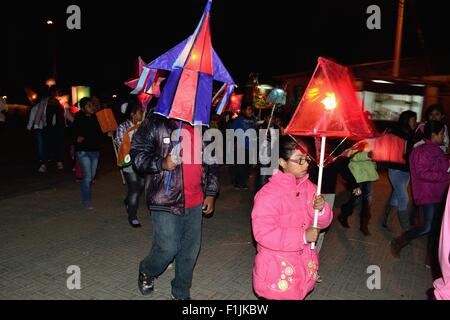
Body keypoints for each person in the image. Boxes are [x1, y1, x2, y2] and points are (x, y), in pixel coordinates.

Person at [130, 113, 219, 300]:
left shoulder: (202, 125)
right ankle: (147, 270)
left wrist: (211, 192)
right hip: (165, 198)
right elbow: (137, 155)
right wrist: (162, 163)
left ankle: (180, 293)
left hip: (195, 200)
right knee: (167, 248)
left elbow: (211, 162)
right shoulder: (156, 123)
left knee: (189, 252)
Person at [252, 136, 333, 300]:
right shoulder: (268, 195)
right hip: (278, 267)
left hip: (303, 263)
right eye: (299, 160)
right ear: (282, 162)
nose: (306, 165)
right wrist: (302, 236)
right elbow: (263, 233)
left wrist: (321, 209)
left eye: (307, 160)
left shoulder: (310, 188)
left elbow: (323, 222)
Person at [391, 121, 450, 259]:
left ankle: (431, 257)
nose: (444, 136)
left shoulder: (437, 149)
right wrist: (446, 175)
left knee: (434, 226)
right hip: (427, 194)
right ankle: (400, 241)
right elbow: (423, 173)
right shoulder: (421, 151)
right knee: (427, 226)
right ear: (433, 134)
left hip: (437, 193)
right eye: (442, 133)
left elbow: (442, 166)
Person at [382, 111, 418, 232]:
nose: (415, 122)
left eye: (415, 120)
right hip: (395, 170)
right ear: (406, 120)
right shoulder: (397, 133)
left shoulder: (413, 134)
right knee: (404, 197)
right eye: (413, 120)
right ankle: (406, 228)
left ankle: (386, 221)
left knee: (396, 197)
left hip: (407, 171)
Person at [115, 100, 145, 228]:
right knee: (134, 188)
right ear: (133, 114)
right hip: (129, 163)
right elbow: (120, 143)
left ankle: (128, 200)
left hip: (141, 162)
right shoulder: (123, 127)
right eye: (140, 112)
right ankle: (132, 216)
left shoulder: (143, 125)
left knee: (141, 185)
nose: (142, 114)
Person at [337, 149, 379, 236]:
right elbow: (350, 155)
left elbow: (373, 159)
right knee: (356, 199)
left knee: (367, 201)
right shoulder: (358, 139)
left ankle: (364, 224)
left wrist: (374, 163)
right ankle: (344, 213)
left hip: (369, 174)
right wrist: (366, 155)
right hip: (357, 174)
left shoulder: (373, 141)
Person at [71, 97, 104, 209]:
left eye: (92, 105)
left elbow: (100, 133)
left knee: (92, 175)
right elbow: (72, 132)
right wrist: (77, 137)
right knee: (88, 177)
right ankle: (86, 201)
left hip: (94, 151)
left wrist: (108, 133)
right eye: (89, 105)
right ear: (84, 107)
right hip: (83, 151)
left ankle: (86, 197)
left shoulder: (96, 118)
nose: (92, 107)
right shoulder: (79, 118)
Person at [228, 105, 257, 190]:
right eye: (248, 109)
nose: (250, 111)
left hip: (250, 147)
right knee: (240, 165)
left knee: (247, 166)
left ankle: (243, 183)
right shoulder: (239, 119)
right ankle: (237, 183)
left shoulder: (254, 120)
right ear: (244, 111)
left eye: (251, 110)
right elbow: (230, 129)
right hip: (241, 146)